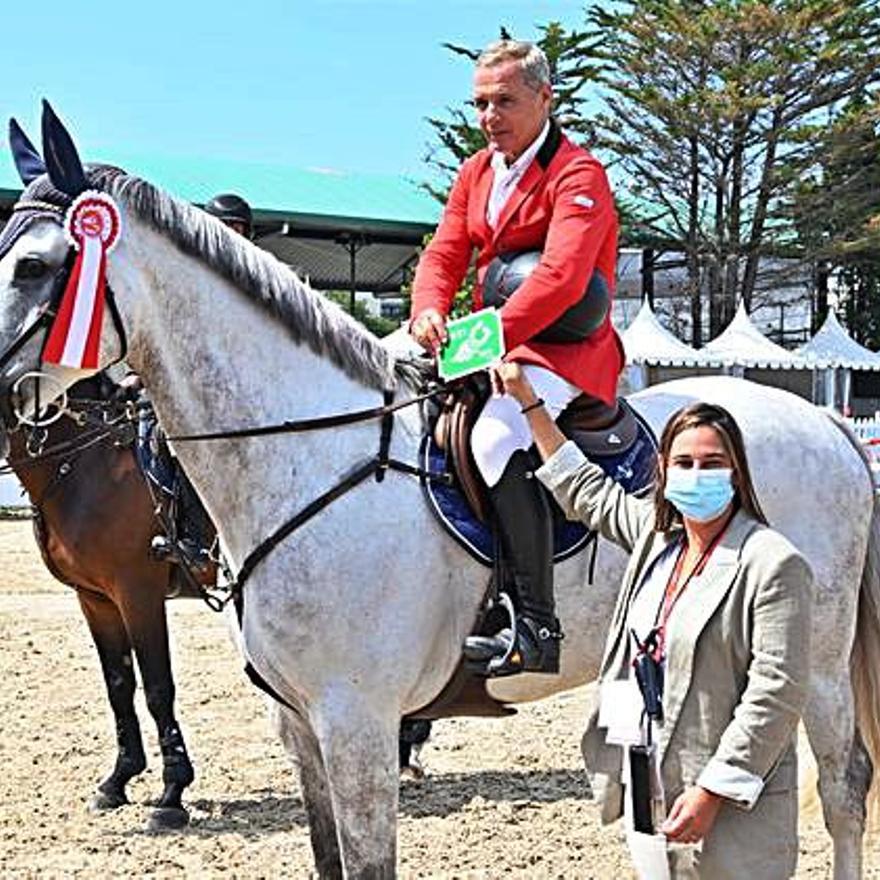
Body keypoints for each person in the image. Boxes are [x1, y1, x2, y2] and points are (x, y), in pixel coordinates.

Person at [492, 362, 812, 878]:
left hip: (728, 799)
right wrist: (529, 403)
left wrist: (713, 790)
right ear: (662, 470)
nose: (696, 473)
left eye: (712, 462)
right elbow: (586, 492)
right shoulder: (658, 540)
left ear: (737, 472)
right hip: (647, 776)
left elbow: (776, 693)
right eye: (683, 462)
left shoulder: (774, 563)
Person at [409, 39, 623, 674]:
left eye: (504, 101)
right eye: (480, 104)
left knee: (497, 438)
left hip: (564, 347)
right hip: (491, 335)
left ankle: (535, 622)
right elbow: (444, 253)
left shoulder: (579, 173)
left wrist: (482, 341)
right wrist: (427, 309)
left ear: (544, 99)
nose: (489, 116)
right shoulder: (476, 171)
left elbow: (559, 277)